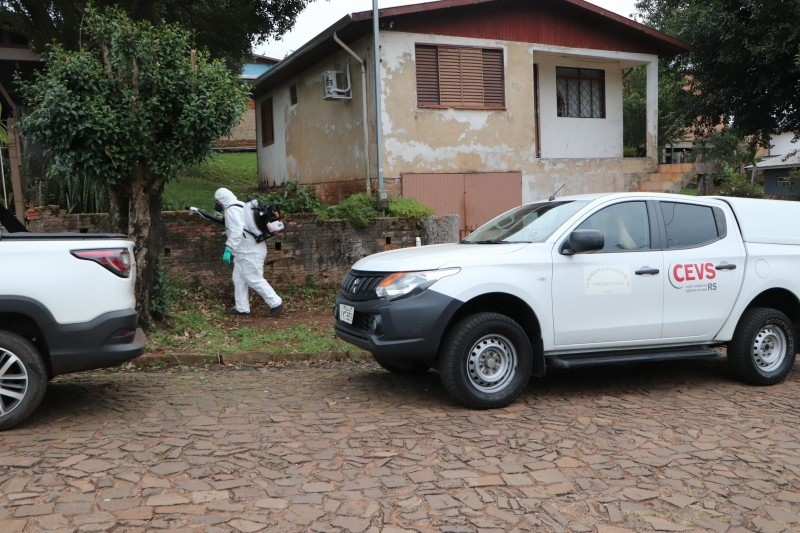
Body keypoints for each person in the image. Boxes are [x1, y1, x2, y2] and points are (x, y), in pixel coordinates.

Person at [213, 187, 284, 317]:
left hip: (250, 251)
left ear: (221, 200)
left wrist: (228, 248)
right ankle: (242, 308)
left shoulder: (232, 210)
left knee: (254, 279)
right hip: (245, 251)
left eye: (217, 201)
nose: (217, 204)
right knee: (238, 278)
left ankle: (276, 303)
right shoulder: (240, 205)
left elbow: (237, 231)